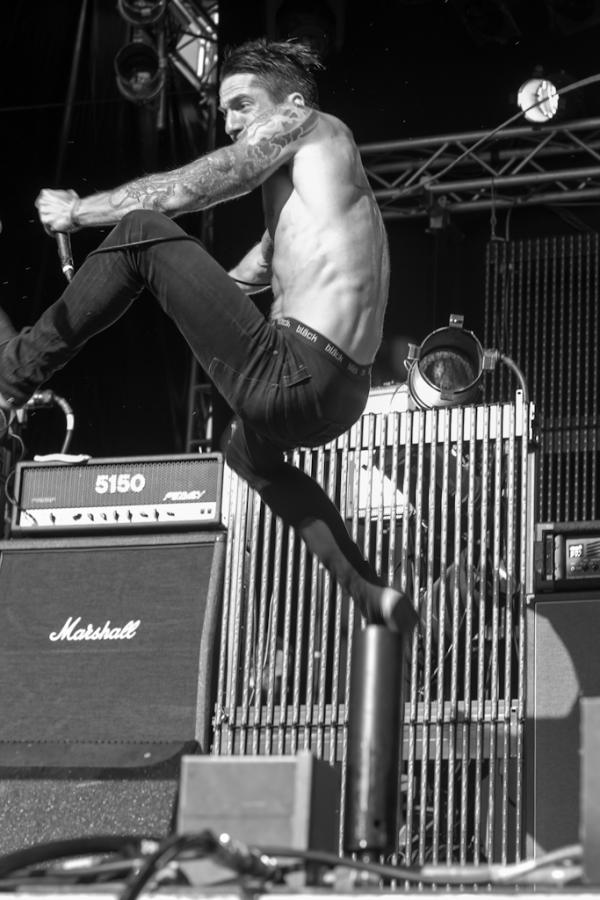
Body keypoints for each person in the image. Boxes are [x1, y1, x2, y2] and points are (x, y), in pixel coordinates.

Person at [0, 38, 418, 633]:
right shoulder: (329, 194)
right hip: (340, 397)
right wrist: (178, 283)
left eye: (243, 105)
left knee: (144, 226)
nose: (230, 123)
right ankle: (368, 590)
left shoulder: (311, 123)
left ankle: (10, 378)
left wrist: (80, 212)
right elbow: (252, 272)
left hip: (293, 367)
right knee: (246, 453)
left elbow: (200, 185)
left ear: (291, 103)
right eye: (224, 111)